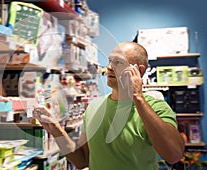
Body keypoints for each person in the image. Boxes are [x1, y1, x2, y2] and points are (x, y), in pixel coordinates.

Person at [33, 42, 185, 170]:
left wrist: (137, 97)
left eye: (118, 62)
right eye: (110, 61)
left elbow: (173, 155)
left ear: (139, 70)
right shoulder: (94, 107)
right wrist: (55, 129)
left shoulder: (155, 108)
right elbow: (83, 160)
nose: (110, 67)